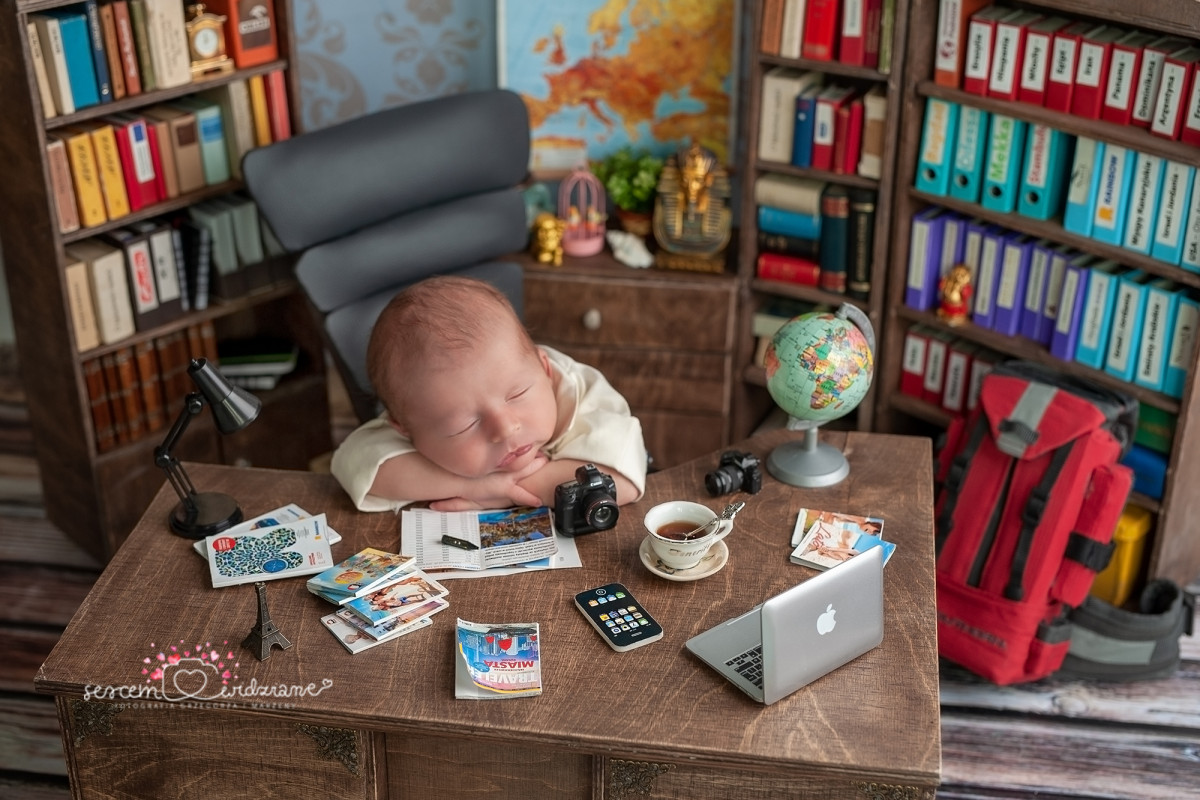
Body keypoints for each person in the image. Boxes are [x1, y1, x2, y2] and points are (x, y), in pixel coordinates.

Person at [330, 275, 647, 513]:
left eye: (518, 394)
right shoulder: (431, 401)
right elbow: (360, 466)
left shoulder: (580, 394)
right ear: (404, 429)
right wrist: (471, 486)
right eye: (464, 425)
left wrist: (504, 492)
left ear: (544, 368)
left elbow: (621, 481)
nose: (505, 428)